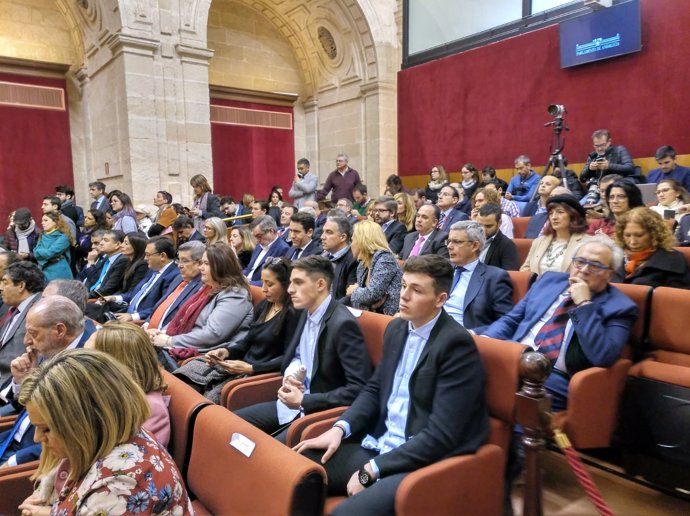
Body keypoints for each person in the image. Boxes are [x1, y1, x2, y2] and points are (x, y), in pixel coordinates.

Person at [294, 255, 489, 516]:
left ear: (440, 300)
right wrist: (339, 428)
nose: (403, 295)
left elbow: (442, 434)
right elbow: (374, 389)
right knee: (300, 473)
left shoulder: (456, 345)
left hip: (416, 460)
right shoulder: (396, 328)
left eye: (416, 290)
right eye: (404, 285)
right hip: (379, 443)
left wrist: (371, 470)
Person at [16, 349, 194, 515]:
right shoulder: (95, 441)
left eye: (46, 429)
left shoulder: (122, 488)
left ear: (88, 421)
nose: (37, 437)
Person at [484, 237, 638, 411]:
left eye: (595, 266)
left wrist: (584, 304)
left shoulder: (621, 308)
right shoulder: (549, 281)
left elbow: (602, 356)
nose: (584, 270)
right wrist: (486, 341)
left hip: (552, 377)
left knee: (510, 403)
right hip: (514, 356)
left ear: (610, 273)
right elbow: (512, 319)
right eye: (579, 262)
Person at [234, 255, 371, 442]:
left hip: (320, 414)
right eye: (290, 282)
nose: (290, 289)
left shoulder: (343, 324)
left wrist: (305, 401)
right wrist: (292, 375)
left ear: (320, 284)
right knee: (231, 425)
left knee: (262, 453)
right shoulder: (303, 311)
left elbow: (358, 389)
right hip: (292, 404)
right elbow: (297, 355)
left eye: (298, 282)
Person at [175, 257, 300, 403]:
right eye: (263, 282)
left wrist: (251, 368)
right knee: (184, 375)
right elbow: (247, 341)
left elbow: (289, 358)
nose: (263, 288)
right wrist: (227, 351)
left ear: (286, 285)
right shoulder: (265, 305)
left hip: (258, 373)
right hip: (240, 363)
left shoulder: (294, 314)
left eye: (270, 284)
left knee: (208, 399)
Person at [0, 296, 93, 465]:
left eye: (33, 333)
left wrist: (16, 460)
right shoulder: (51, 348)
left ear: (60, 330)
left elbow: (78, 435)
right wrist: (23, 381)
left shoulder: (88, 361)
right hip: (10, 438)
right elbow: (30, 406)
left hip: (31, 456)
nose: (26, 340)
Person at [149, 244, 253, 358]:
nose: (200, 268)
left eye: (206, 264)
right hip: (188, 345)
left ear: (221, 267)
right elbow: (183, 319)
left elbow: (213, 335)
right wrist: (161, 332)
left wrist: (170, 340)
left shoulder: (235, 294)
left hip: (210, 355)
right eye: (201, 263)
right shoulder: (208, 289)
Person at [86, 321, 171, 446]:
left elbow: (126, 459)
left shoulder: (148, 410)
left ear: (116, 364)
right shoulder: (104, 390)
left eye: (89, 359)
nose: (81, 364)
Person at [445, 221, 513, 333]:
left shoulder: (495, 277)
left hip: (462, 337)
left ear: (474, 246)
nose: (449, 246)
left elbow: (505, 322)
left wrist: (472, 334)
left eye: (456, 242)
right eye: (449, 241)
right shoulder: (442, 270)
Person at [102, 237, 180, 322]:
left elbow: (162, 307)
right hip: (126, 312)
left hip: (141, 321)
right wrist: (114, 297)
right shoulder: (152, 270)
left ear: (162, 256)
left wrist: (134, 316)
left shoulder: (174, 276)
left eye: (148, 255)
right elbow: (136, 294)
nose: (145, 258)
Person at [614, 207, 690, 289]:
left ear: (654, 234)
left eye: (639, 235)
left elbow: (676, 299)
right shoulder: (617, 260)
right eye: (627, 235)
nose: (632, 242)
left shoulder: (674, 260)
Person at [521, 195, 589, 276]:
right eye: (551, 213)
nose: (554, 217)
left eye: (560, 212)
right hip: (537, 287)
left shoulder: (586, 243)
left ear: (573, 216)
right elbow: (525, 269)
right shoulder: (538, 241)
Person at [145, 240, 205, 331]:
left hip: (165, 336)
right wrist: (146, 323)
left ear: (200, 263)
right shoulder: (178, 278)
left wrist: (160, 332)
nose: (180, 265)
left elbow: (182, 319)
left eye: (185, 261)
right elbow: (160, 307)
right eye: (179, 260)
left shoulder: (202, 286)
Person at [347, 220, 402, 316]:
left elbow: (372, 294)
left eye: (352, 240)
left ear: (362, 240)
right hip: (371, 316)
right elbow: (360, 302)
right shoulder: (363, 264)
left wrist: (353, 291)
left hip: (388, 320)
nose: (351, 244)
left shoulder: (385, 259)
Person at [0, 262, 44, 378]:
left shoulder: (38, 310)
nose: (1, 288)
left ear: (21, 286)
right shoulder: (15, 308)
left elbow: (18, 356)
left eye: (5, 283)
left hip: (13, 380)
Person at [244, 215, 291, 285]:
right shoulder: (259, 245)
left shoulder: (283, 249)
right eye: (255, 237)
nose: (257, 240)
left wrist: (248, 283)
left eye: (259, 236)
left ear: (271, 231)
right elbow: (249, 268)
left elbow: (273, 280)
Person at [321, 213, 358, 300]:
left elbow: (349, 297)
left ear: (343, 237)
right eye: (323, 231)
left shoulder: (354, 260)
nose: (322, 237)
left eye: (329, 232)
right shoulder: (321, 258)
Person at [85, 230, 129, 298]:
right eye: (102, 240)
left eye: (106, 240)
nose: (101, 243)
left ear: (117, 245)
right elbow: (93, 279)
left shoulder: (122, 260)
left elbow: (109, 289)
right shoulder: (106, 258)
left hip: (101, 299)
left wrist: (84, 296)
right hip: (92, 294)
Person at [476, 203, 520, 271]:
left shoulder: (507, 245)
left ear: (499, 223)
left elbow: (508, 275)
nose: (483, 230)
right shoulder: (468, 239)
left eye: (488, 226)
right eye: (479, 225)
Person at [33, 212, 73, 281]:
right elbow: (35, 252)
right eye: (42, 221)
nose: (42, 223)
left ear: (55, 222)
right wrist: (40, 252)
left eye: (46, 220)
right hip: (43, 269)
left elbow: (50, 253)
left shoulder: (63, 237)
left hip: (58, 270)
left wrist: (39, 252)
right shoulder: (42, 235)